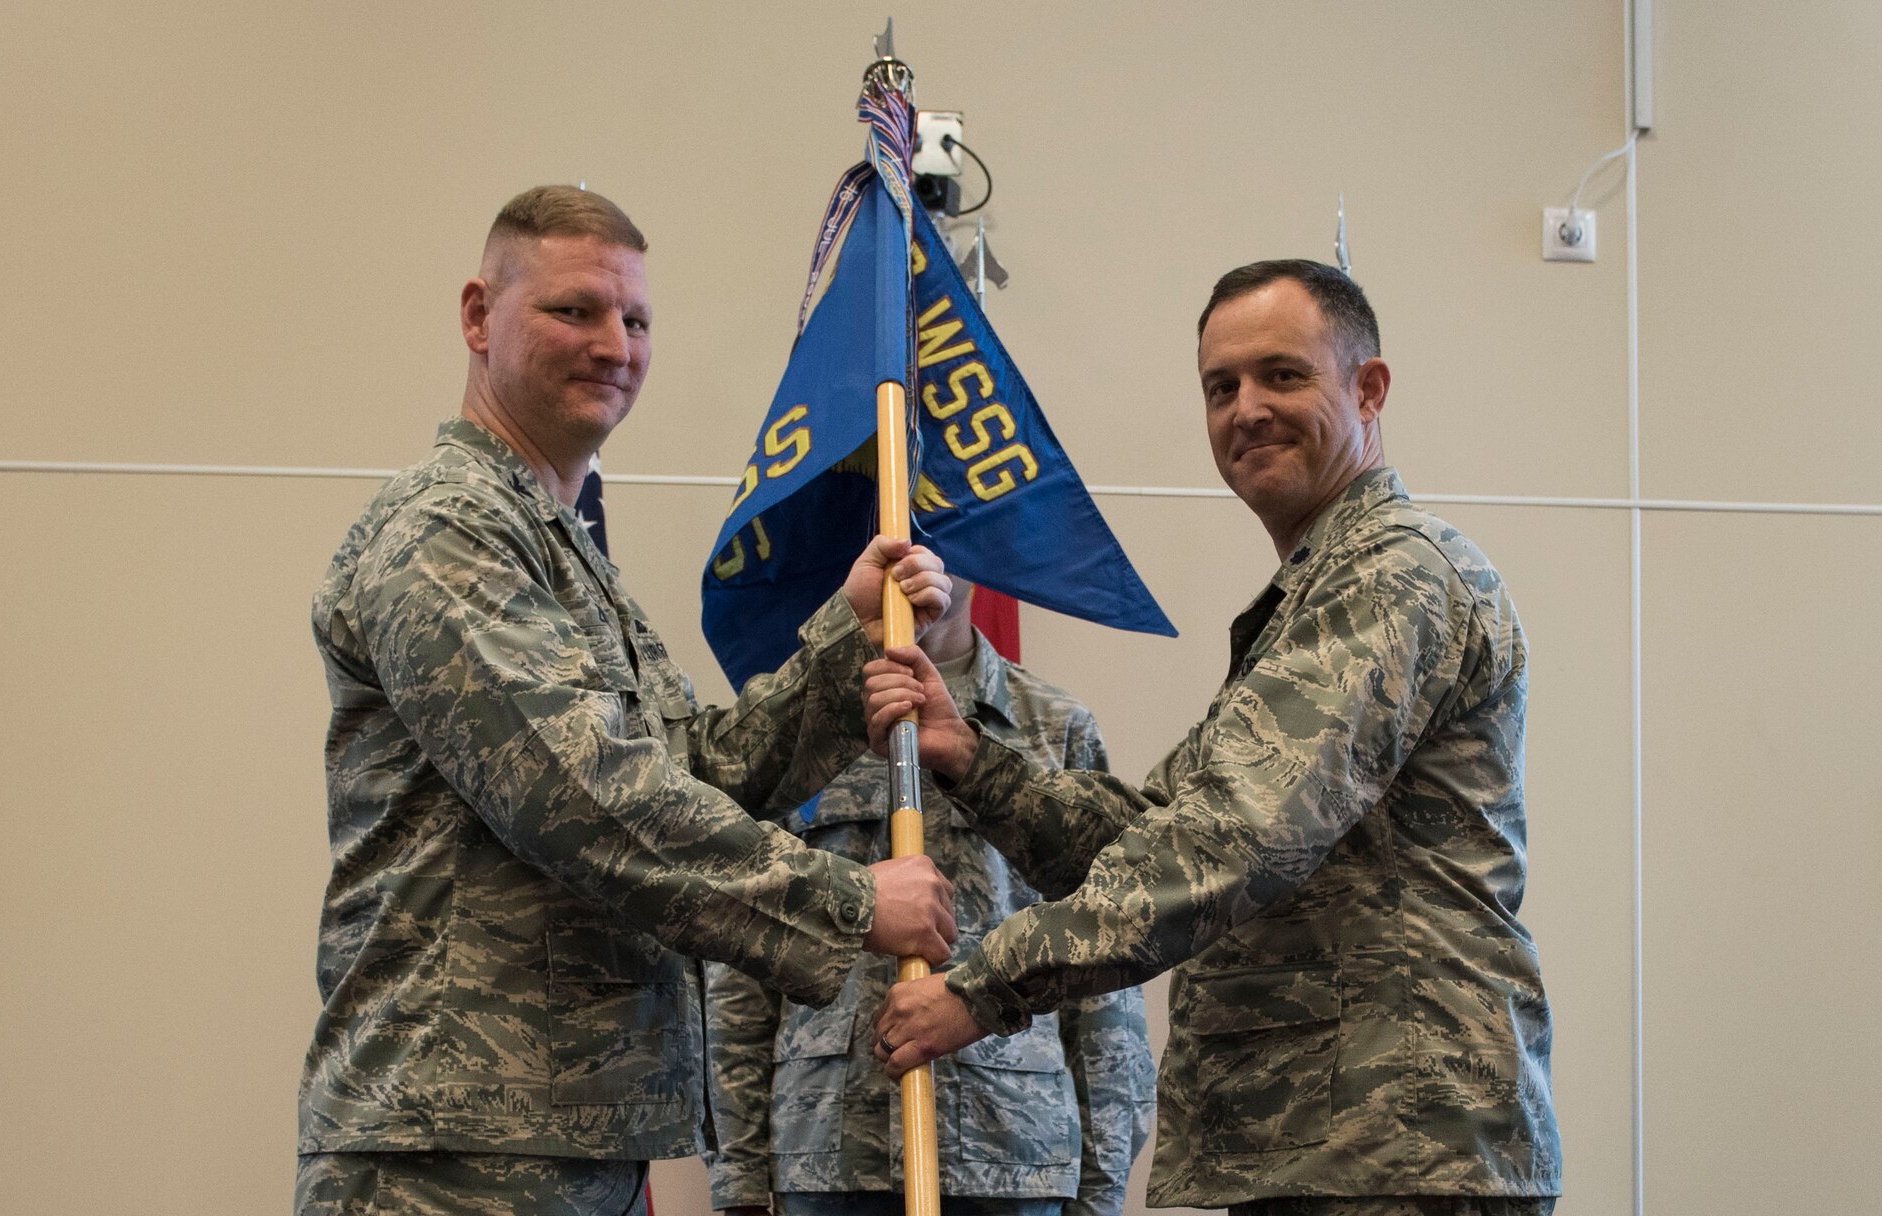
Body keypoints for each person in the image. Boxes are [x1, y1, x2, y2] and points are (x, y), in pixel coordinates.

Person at [294, 185, 961, 1216]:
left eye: (635, 319)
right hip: (452, 1152)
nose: (613, 344)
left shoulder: (559, 547)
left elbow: (693, 773)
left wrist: (847, 635)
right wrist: (849, 901)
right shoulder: (447, 531)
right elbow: (583, 798)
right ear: (478, 315)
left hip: (563, 1135)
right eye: (574, 310)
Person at [865, 260, 1562, 1216]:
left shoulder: (1397, 578)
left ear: (1369, 389)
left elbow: (1232, 839)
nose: (1247, 410)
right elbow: (1153, 830)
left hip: (1398, 1148)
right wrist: (970, 755)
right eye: (1220, 387)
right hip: (1325, 1144)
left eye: (1284, 375)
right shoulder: (1311, 598)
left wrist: (982, 989)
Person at [703, 580, 1156, 1216]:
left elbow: (1105, 963)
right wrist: (739, 1180)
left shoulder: (1052, 728)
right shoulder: (799, 732)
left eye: (936, 519)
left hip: (1013, 1155)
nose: (915, 545)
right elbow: (742, 961)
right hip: (827, 1154)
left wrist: (1103, 1182)